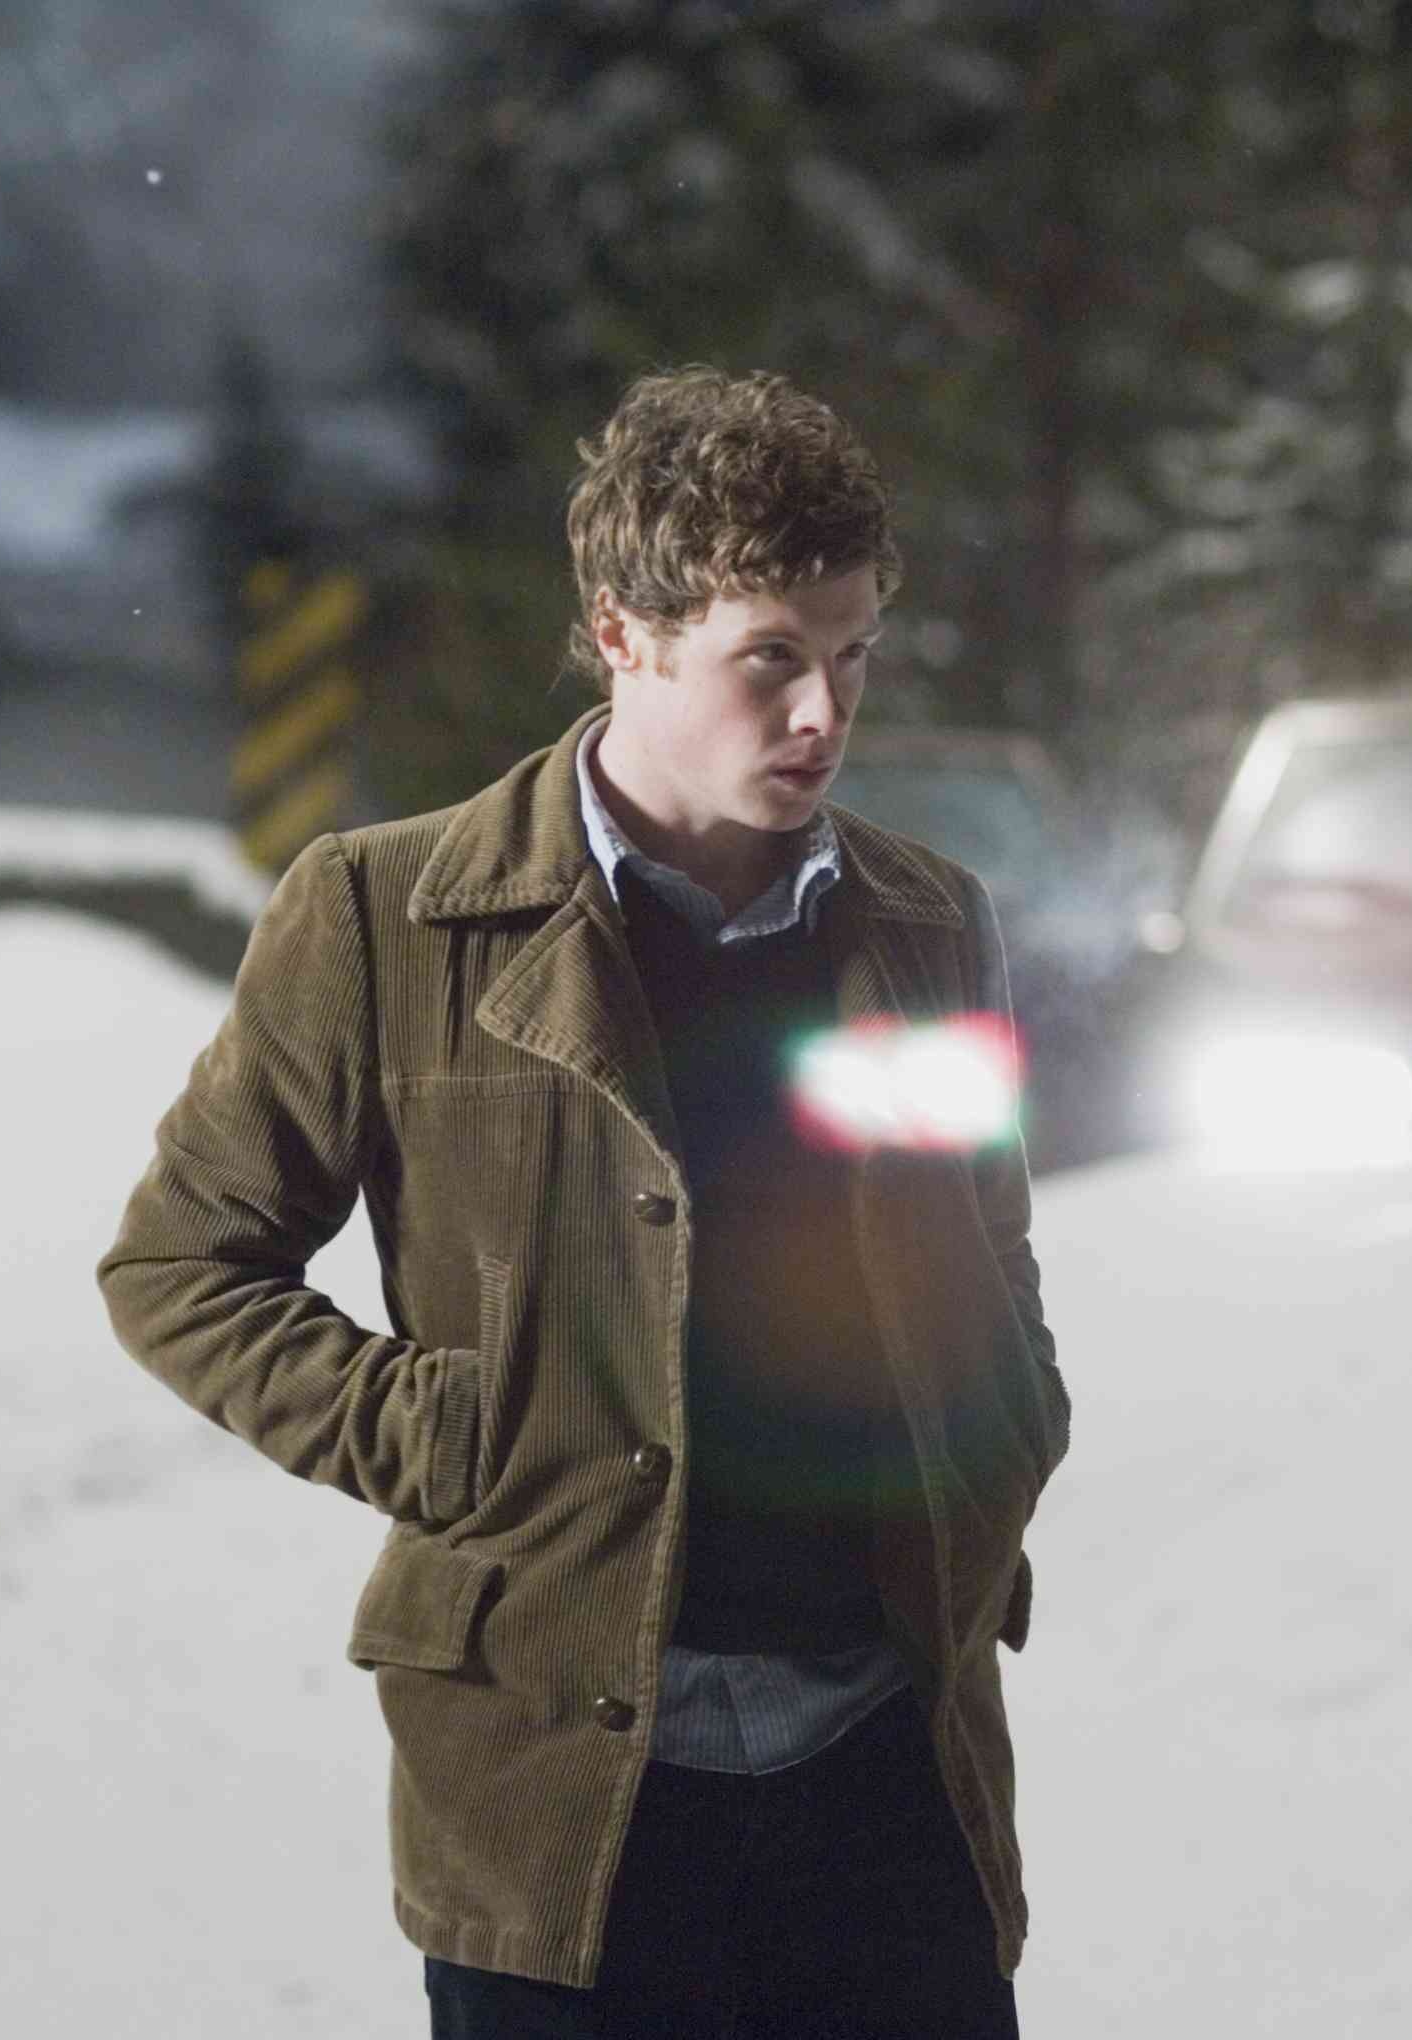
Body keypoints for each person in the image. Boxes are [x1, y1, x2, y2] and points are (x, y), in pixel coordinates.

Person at [99, 365, 1067, 2038]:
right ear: (624, 632)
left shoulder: (925, 923)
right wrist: (455, 1435)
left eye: (854, 656)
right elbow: (182, 1267)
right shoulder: (387, 918)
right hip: (565, 1777)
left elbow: (982, 1239)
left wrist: (1007, 1420)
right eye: (771, 659)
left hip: (889, 1762)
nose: (824, 713)